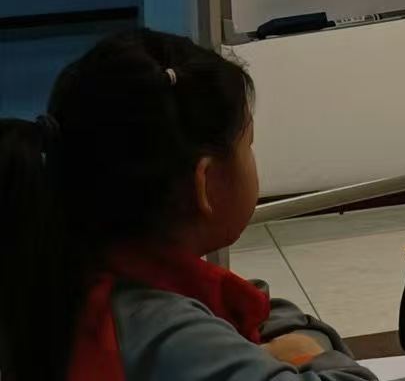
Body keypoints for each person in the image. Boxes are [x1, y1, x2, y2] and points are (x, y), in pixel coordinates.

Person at [0, 29, 376, 381]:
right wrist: (305, 345)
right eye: (248, 145)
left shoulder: (61, 275)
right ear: (206, 182)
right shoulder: (167, 335)